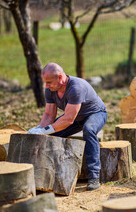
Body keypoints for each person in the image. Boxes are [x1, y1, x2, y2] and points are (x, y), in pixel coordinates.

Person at [28, 62, 107, 191]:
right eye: (45, 82)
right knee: (50, 134)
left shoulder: (76, 88)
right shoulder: (50, 90)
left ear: (60, 77)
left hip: (96, 114)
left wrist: (45, 130)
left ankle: (94, 176)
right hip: (76, 117)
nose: (46, 86)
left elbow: (68, 119)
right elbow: (49, 114)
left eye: (49, 82)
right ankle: (47, 174)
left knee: (89, 129)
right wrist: (39, 129)